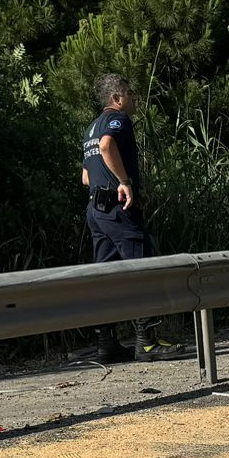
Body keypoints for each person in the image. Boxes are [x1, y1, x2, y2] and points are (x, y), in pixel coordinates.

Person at [80, 73, 155, 362]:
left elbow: (86, 176)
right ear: (116, 98)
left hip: (96, 210)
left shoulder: (90, 127)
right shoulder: (118, 120)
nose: (134, 97)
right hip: (118, 208)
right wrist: (124, 181)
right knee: (141, 269)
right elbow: (107, 146)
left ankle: (106, 343)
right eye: (129, 92)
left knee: (105, 276)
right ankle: (146, 342)